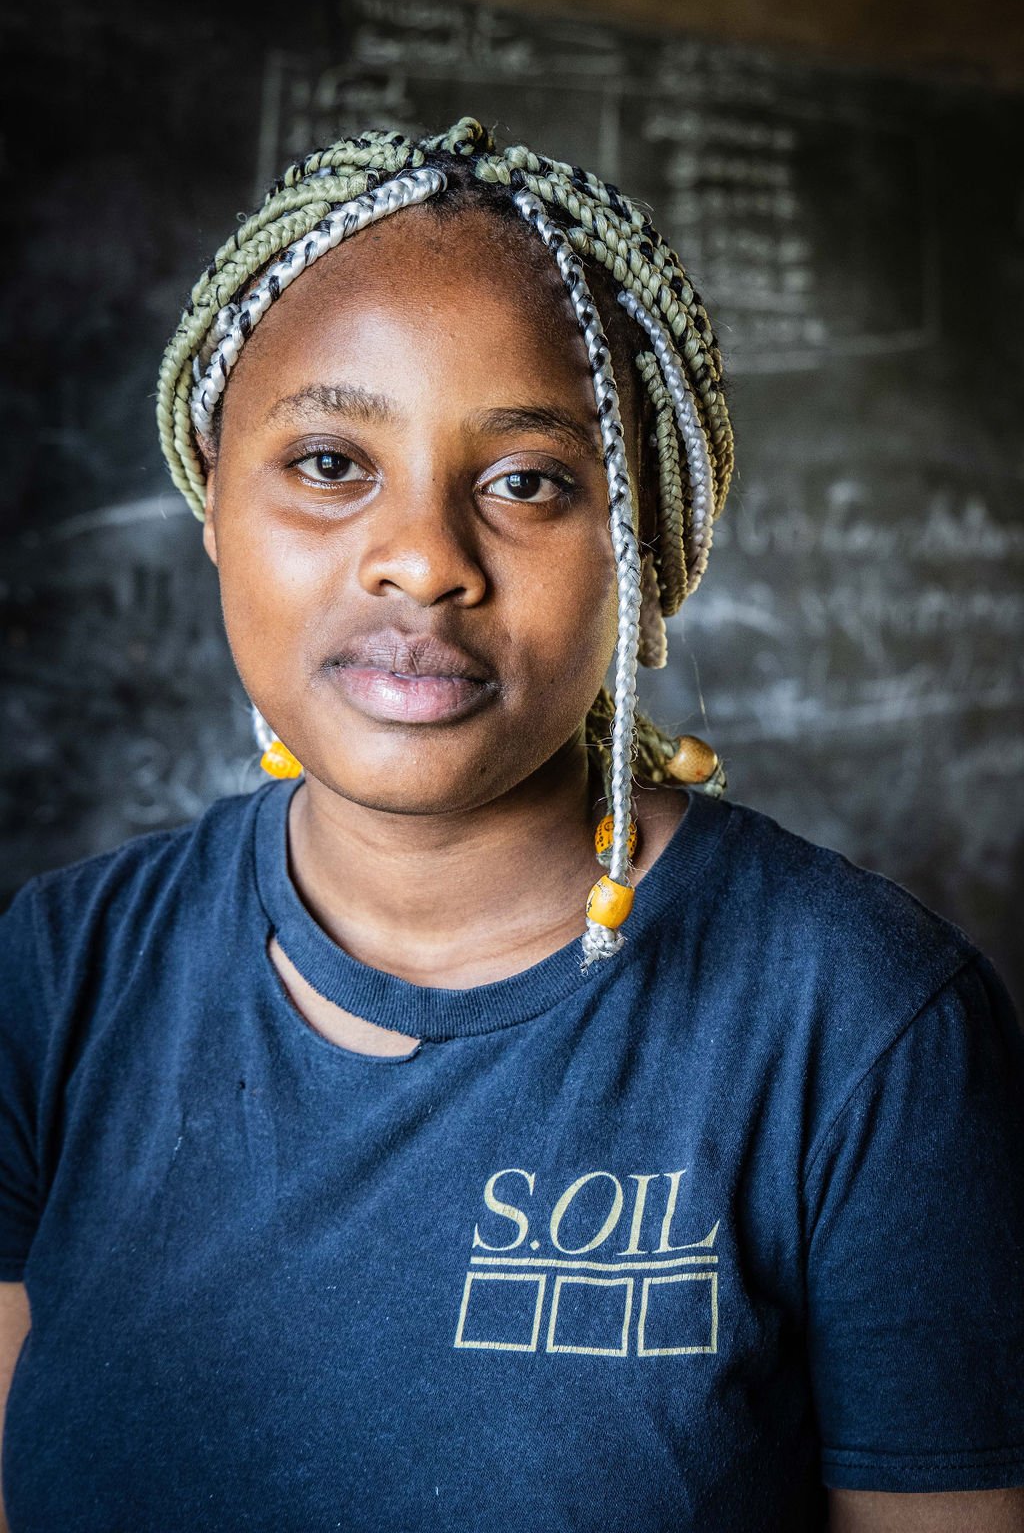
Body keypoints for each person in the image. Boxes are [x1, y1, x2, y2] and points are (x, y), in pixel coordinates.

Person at [0, 116, 1021, 1533]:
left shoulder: (869, 1032)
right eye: (329, 462)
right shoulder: (52, 984)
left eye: (528, 481)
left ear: (646, 548)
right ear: (212, 497)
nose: (422, 555)